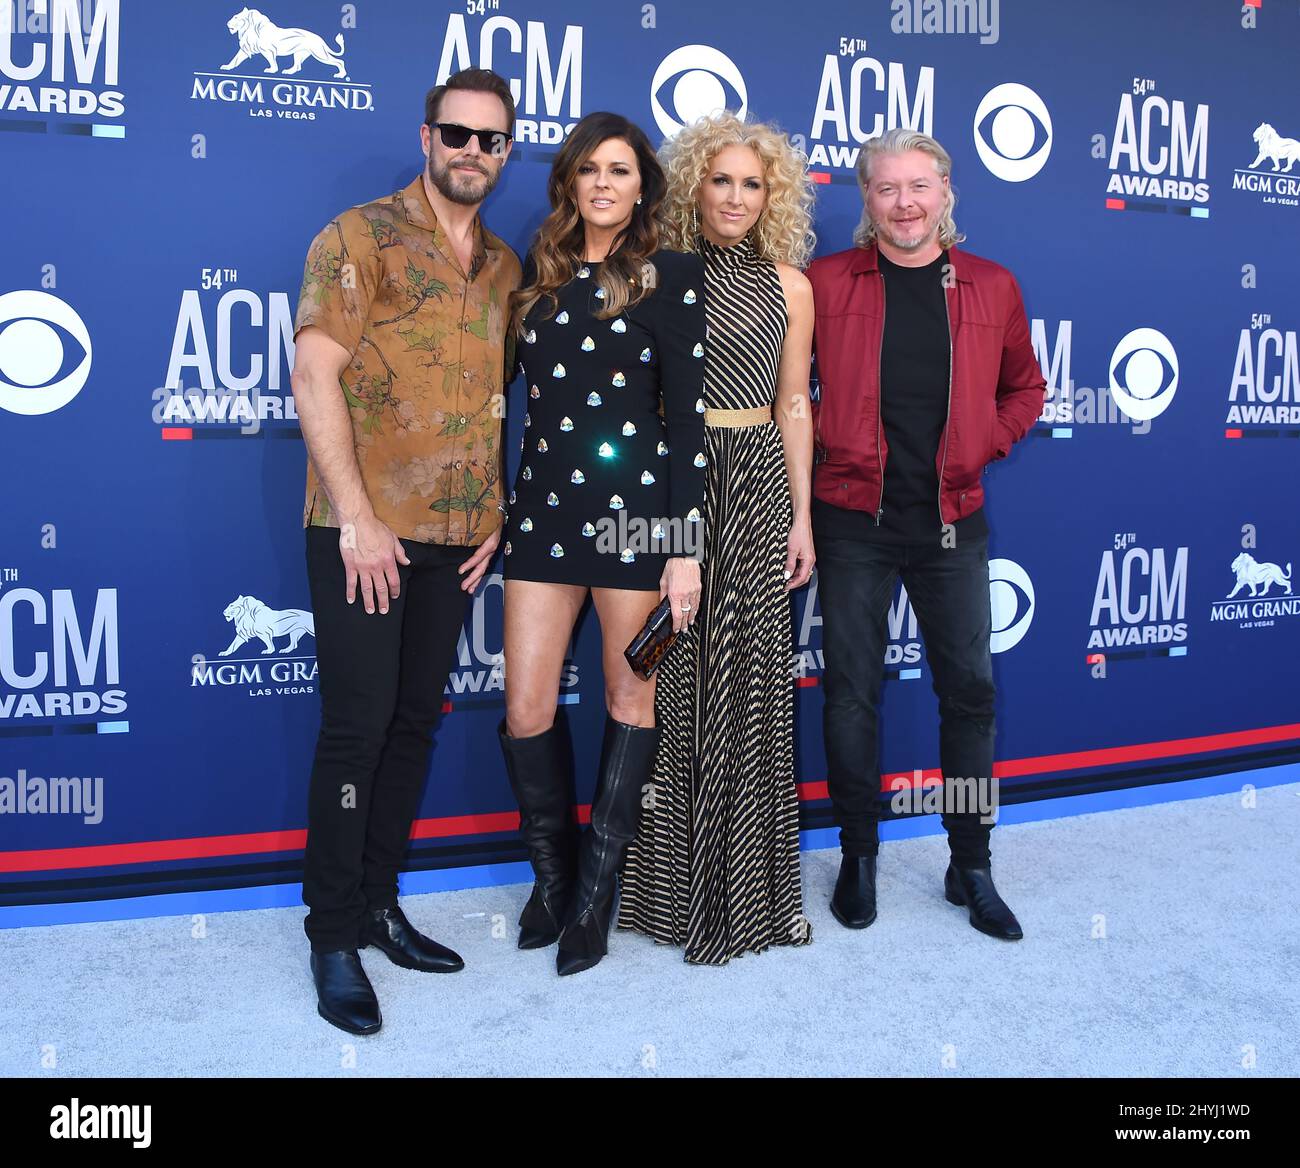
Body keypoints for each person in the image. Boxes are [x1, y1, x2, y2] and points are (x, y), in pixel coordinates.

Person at [289, 68, 522, 1034]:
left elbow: (499, 403)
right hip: (364, 536)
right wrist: (356, 515)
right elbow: (314, 372)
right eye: (456, 135)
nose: (472, 152)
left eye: (491, 140)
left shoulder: (507, 265)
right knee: (359, 728)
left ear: (507, 152)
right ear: (426, 136)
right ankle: (333, 933)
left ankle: (381, 903)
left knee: (415, 724)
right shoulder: (360, 235)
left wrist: (497, 511)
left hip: (460, 536)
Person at [806, 128, 1045, 941]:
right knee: (850, 694)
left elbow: (1026, 388)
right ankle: (860, 854)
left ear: (945, 191)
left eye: (919, 186)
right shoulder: (826, 281)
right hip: (851, 520)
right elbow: (786, 396)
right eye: (886, 189)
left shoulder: (992, 284)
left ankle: (969, 863)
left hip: (951, 522)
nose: (904, 203)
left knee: (970, 696)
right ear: (865, 200)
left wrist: (985, 440)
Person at [496, 111, 707, 977]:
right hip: (543, 516)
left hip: (638, 523)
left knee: (631, 700)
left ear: (641, 184)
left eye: (621, 170)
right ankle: (553, 880)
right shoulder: (534, 281)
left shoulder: (671, 276)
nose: (604, 184)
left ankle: (596, 899)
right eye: (589, 169)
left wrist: (684, 546)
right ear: (570, 183)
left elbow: (687, 421)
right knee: (525, 709)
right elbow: (491, 405)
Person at [617, 113, 817, 964]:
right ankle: (670, 898)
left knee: (755, 683)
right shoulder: (658, 274)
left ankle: (753, 896)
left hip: (762, 486)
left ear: (771, 196)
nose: (736, 197)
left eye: (753, 183)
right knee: (676, 678)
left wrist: (802, 515)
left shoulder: (791, 285)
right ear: (695, 184)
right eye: (721, 179)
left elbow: (794, 404)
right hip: (677, 479)